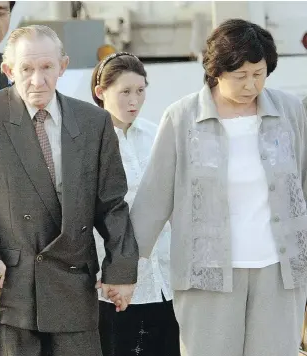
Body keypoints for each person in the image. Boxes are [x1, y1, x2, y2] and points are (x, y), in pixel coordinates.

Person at [0, 25, 138, 356]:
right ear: (8, 70)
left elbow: (112, 204)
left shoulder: (94, 122)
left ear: (62, 65)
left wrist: (121, 271)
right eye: (26, 69)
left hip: (73, 287)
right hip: (7, 289)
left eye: (47, 67)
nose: (37, 80)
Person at [130, 18, 307, 356]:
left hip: (280, 272)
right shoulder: (182, 117)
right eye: (240, 76)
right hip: (206, 274)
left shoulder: (289, 111)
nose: (251, 85)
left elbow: (303, 182)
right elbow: (153, 199)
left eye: (259, 74)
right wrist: (123, 271)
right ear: (216, 71)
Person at [90, 52, 180, 356]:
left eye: (140, 91)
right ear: (101, 93)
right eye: (125, 92)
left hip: (165, 278)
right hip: (113, 281)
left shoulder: (157, 135)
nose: (134, 101)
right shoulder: (88, 143)